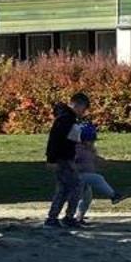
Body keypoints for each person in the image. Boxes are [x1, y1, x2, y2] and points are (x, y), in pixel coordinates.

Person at [72, 109, 118, 225]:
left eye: (92, 141)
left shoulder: (90, 150)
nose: (91, 143)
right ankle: (113, 195)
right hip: (78, 176)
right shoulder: (77, 149)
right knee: (98, 179)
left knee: (86, 198)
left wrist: (105, 162)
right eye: (89, 141)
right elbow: (71, 161)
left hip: (86, 176)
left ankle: (79, 217)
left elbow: (95, 159)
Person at [43, 97, 83, 229]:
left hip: (66, 158)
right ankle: (63, 217)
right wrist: (51, 159)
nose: (83, 112)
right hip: (63, 159)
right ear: (77, 105)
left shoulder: (68, 119)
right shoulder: (65, 120)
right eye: (83, 108)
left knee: (65, 188)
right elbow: (55, 140)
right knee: (73, 187)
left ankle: (56, 217)